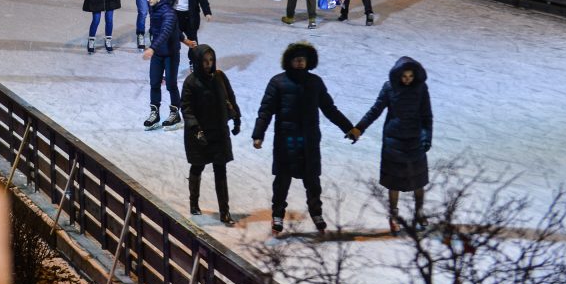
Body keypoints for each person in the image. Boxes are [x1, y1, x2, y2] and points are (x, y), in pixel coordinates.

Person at [252, 42, 354, 235]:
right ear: (289, 61)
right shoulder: (278, 82)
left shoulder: (315, 82)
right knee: (282, 180)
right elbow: (266, 111)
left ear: (308, 61)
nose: (300, 62)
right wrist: (258, 134)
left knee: (312, 180)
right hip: (286, 140)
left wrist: (348, 127)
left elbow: (329, 109)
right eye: (296, 59)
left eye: (303, 59)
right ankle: (277, 215)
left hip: (309, 140)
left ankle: (316, 213)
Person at [347, 57, 433, 233]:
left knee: (418, 181)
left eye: (410, 76)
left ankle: (419, 211)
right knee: (394, 182)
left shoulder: (421, 89)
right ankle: (393, 215)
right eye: (404, 76)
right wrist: (359, 128)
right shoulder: (389, 88)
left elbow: (427, 115)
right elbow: (375, 110)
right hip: (394, 142)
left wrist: (426, 137)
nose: (407, 79)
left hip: (415, 140)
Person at [181, 44, 240, 225]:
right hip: (199, 133)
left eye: (211, 60)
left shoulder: (220, 77)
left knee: (220, 171)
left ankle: (225, 212)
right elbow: (187, 109)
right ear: (198, 62)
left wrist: (237, 119)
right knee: (197, 167)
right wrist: (196, 129)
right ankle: (194, 203)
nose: (208, 64)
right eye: (205, 61)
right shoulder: (190, 82)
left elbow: (230, 98)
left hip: (219, 132)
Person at [142, 0, 192, 130]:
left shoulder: (168, 12)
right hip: (158, 53)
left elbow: (167, 31)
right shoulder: (154, 7)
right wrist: (184, 40)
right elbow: (173, 29)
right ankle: (154, 113)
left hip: (170, 53)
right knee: (154, 83)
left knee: (171, 84)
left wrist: (152, 47)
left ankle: (175, 114)